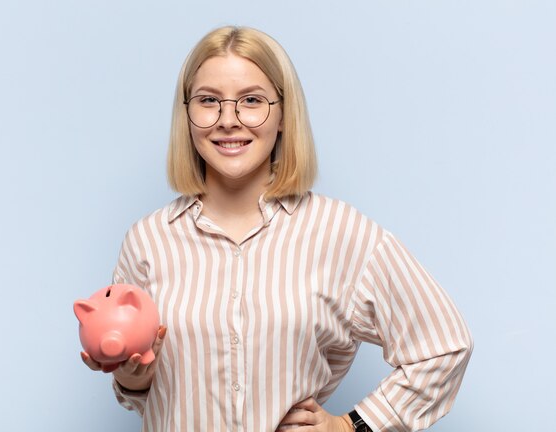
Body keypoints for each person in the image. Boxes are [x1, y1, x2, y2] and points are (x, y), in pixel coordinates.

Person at [81, 26, 473, 431]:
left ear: (284, 114)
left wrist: (353, 426)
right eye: (208, 101)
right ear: (187, 115)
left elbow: (444, 345)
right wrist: (132, 378)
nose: (228, 121)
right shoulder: (148, 240)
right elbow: (141, 387)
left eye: (251, 101)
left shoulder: (340, 232)